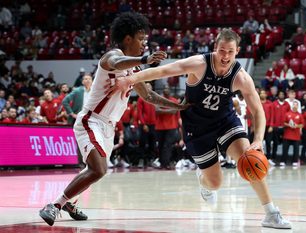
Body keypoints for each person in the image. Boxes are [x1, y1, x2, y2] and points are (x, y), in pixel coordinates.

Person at [113, 28, 291, 229]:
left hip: (225, 122)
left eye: (230, 52)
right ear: (216, 47)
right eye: (222, 50)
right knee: (215, 183)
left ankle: (271, 213)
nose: (225, 56)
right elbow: (163, 70)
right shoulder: (199, 63)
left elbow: (258, 111)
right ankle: (204, 180)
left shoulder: (241, 77)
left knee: (248, 159)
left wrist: (257, 140)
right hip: (196, 127)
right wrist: (130, 79)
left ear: (237, 51)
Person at [39, 12, 187, 226]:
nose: (144, 43)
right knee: (98, 169)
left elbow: (149, 96)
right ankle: (55, 205)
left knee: (94, 171)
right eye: (141, 39)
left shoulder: (135, 70)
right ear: (128, 39)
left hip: (108, 126)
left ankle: (71, 202)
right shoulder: (111, 57)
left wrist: (179, 106)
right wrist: (145, 60)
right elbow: (118, 63)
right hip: (91, 120)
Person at [280, 101, 304, 167]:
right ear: (292, 105)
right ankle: (283, 161)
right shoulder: (287, 114)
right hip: (287, 135)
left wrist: (297, 126)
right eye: (294, 105)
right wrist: (289, 125)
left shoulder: (300, 115)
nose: (295, 106)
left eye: (296, 105)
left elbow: (302, 124)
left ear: (298, 106)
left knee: (296, 150)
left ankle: (295, 161)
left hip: (296, 136)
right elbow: (283, 123)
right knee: (285, 149)